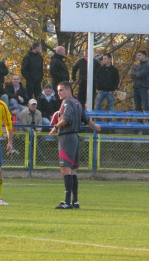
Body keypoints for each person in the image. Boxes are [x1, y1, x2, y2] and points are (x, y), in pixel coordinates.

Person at [49, 81, 101, 209]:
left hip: (67, 137)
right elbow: (86, 119)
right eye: (58, 90)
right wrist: (95, 126)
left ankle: (67, 202)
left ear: (68, 90)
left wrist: (56, 126)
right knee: (72, 170)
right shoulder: (77, 103)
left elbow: (67, 118)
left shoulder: (67, 103)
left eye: (61, 90)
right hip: (75, 138)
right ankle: (75, 201)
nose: (59, 93)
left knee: (65, 169)